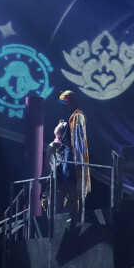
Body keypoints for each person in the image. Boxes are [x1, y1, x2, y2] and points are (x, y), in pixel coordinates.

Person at [50, 90, 91, 220]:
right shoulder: (72, 117)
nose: (63, 106)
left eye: (65, 103)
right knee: (62, 184)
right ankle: (71, 214)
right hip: (67, 154)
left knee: (71, 186)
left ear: (72, 102)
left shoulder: (78, 116)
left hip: (72, 155)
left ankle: (75, 216)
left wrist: (78, 160)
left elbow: (79, 139)